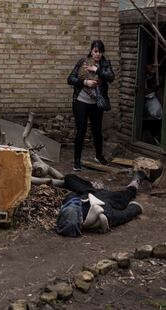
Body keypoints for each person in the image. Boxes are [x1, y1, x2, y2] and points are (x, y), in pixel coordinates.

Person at [67, 40, 115, 171]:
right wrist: (86, 82)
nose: (98, 54)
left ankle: (99, 156)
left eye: (100, 51)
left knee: (97, 131)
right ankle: (77, 160)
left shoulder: (105, 64)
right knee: (81, 131)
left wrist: (97, 70)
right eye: (95, 51)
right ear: (91, 51)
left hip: (96, 103)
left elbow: (111, 77)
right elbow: (70, 79)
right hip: (81, 101)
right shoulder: (83, 62)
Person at [56, 171, 146, 237]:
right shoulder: (103, 214)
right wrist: (136, 208)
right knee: (128, 193)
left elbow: (72, 196)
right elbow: (123, 215)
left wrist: (92, 187)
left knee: (69, 178)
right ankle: (136, 182)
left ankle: (97, 186)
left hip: (88, 191)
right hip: (111, 198)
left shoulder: (72, 205)